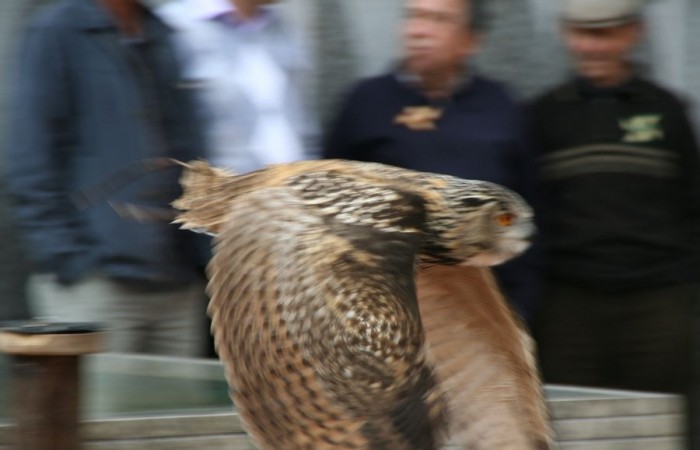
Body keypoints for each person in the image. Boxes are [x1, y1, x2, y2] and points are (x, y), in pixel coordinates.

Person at [5, 0, 207, 356]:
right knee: (100, 412)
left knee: (178, 411)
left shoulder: (162, 33)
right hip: (98, 285)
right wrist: (70, 259)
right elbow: (31, 160)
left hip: (176, 285)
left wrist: (200, 257)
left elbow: (190, 151)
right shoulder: (58, 31)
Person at [323, 0, 540, 323]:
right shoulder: (365, 104)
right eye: (414, 16)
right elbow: (324, 214)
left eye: (438, 19)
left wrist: (518, 311)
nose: (418, 30)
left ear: (469, 41)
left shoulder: (502, 108)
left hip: (480, 318)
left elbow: (530, 218)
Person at [530, 0, 700, 399]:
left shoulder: (666, 110)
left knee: (657, 423)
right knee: (573, 423)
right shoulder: (544, 115)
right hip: (569, 308)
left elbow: (693, 204)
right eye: (580, 34)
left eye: (604, 34)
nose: (591, 47)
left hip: (658, 303)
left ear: (633, 32)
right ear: (564, 35)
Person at [152, 0, 318, 173]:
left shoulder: (281, 25)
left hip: (293, 191)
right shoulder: (174, 26)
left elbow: (304, 127)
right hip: (223, 193)